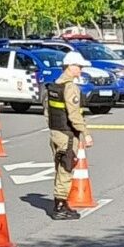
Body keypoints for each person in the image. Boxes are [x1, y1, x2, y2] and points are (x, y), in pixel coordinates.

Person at [47, 51, 94, 220]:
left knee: (59, 169)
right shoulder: (70, 88)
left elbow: (47, 112)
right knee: (66, 169)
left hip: (55, 132)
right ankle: (60, 206)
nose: (81, 70)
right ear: (70, 66)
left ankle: (62, 201)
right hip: (67, 135)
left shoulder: (54, 86)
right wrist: (85, 133)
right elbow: (74, 115)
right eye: (79, 67)